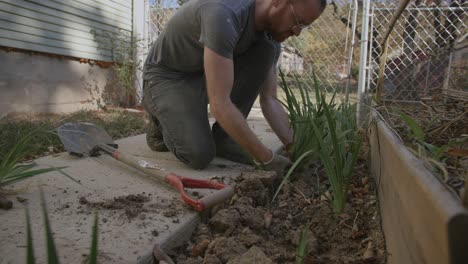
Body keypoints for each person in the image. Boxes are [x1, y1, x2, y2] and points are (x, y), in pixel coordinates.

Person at [142, 0, 326, 174]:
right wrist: (266, 158)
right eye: (297, 22)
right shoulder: (224, 13)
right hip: (169, 77)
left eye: (303, 26)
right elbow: (219, 104)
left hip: (204, 75)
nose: (297, 32)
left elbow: (270, 100)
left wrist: (293, 146)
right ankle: (159, 121)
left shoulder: (268, 38)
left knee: (267, 49)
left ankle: (225, 139)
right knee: (198, 154)